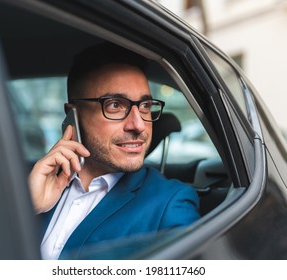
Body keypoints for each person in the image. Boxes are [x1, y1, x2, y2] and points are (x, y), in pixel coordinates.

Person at [28, 42, 200, 259]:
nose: (138, 125)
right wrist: (28, 208)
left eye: (145, 106)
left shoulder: (170, 204)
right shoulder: (37, 185)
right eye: (115, 105)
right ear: (74, 114)